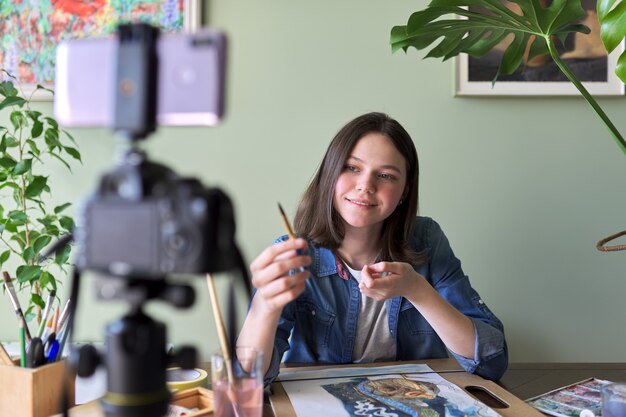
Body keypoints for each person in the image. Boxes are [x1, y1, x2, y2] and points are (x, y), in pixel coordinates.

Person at [237, 112, 507, 387]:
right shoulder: (293, 255)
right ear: (330, 173)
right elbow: (250, 382)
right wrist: (265, 306)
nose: (366, 185)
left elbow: (491, 360)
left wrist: (416, 289)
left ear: (405, 190)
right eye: (352, 168)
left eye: (386, 175)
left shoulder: (427, 240)